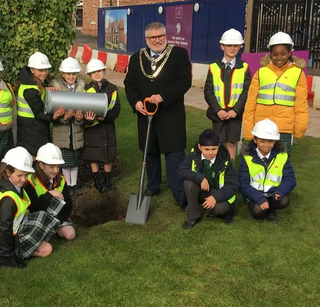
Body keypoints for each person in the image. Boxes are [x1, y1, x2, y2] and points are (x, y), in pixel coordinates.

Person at [124, 22, 191, 209]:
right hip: (146, 115)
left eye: (160, 36)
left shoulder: (179, 54)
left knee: (174, 154)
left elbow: (185, 82)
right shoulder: (136, 58)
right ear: (147, 39)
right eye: (153, 37)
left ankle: (179, 193)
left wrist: (163, 97)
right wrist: (136, 102)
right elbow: (129, 84)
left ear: (165, 35)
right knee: (149, 151)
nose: (157, 40)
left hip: (171, 115)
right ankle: (153, 186)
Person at [0, 147, 65, 268]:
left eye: (26, 175)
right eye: (20, 175)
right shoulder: (8, 198)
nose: (23, 179)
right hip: (0, 245)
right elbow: (4, 229)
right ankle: (21, 253)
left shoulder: (16, 188)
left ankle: (23, 251)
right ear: (8, 172)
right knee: (46, 249)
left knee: (46, 247)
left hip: (13, 236)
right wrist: (8, 257)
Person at [242, 31, 309, 155]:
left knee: (282, 165)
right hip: (261, 127)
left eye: (283, 54)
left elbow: (301, 105)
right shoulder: (260, 73)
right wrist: (248, 129)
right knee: (258, 164)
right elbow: (250, 104)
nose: (279, 57)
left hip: (284, 129)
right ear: (270, 54)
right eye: (275, 54)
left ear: (289, 53)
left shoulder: (298, 74)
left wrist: (300, 128)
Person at [204, 28, 251, 161]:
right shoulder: (214, 66)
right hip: (218, 113)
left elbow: (246, 91)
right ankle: (219, 168)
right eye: (229, 45)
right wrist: (217, 110)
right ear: (222, 46)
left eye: (236, 45)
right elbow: (208, 91)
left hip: (235, 114)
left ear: (240, 47)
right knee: (218, 142)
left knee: (231, 142)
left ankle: (229, 170)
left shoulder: (244, 67)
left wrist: (236, 110)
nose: (232, 48)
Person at [178, 129, 239, 229]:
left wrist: (216, 198)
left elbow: (233, 186)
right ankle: (193, 216)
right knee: (188, 183)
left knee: (222, 208)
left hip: (217, 192)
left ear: (219, 146)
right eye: (206, 149)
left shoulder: (225, 160)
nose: (210, 153)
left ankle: (210, 209)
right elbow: (181, 170)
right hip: (201, 189)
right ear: (199, 147)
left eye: (214, 149)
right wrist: (200, 178)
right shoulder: (193, 155)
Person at [239, 119, 296, 223]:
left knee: (284, 201)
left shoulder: (282, 156)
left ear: (275, 141)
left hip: (274, 194)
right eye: (262, 141)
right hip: (254, 194)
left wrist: (280, 191)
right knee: (258, 212)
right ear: (255, 140)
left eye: (270, 141)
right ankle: (263, 207)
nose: (266, 145)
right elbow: (243, 184)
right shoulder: (246, 157)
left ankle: (271, 209)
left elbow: (290, 179)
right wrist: (259, 198)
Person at [83, 59, 121, 194]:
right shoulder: (87, 90)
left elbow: (116, 109)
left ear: (103, 71)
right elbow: (84, 110)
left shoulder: (112, 89)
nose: (97, 74)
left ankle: (107, 181)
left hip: (107, 127)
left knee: (108, 156)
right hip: (93, 129)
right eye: (93, 72)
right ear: (90, 75)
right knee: (94, 155)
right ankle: (98, 182)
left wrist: (105, 117)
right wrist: (88, 120)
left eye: (99, 71)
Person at [17, 52, 65, 156]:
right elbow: (39, 112)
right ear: (32, 70)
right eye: (41, 70)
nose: (44, 73)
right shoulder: (30, 89)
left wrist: (45, 90)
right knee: (35, 158)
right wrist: (53, 117)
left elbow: (38, 95)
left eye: (45, 70)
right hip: (32, 129)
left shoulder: (31, 83)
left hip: (31, 127)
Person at [25, 143, 75, 241]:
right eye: (52, 167)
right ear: (41, 165)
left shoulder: (61, 179)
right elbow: (32, 208)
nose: (56, 170)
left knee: (70, 235)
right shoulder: (30, 181)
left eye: (58, 167)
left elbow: (68, 204)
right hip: (36, 219)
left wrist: (60, 219)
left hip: (56, 219)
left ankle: (54, 229)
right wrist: (49, 195)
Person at [50, 57, 85, 195]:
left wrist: (78, 119)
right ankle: (67, 185)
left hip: (76, 132)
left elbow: (83, 109)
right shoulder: (56, 90)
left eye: (74, 74)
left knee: (75, 161)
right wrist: (65, 118)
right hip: (62, 132)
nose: (71, 77)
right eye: (68, 74)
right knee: (65, 161)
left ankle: (74, 184)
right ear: (63, 74)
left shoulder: (82, 89)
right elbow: (53, 115)